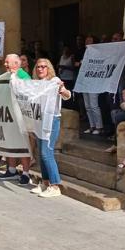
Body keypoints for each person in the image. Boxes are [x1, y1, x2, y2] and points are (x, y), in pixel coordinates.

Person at [30, 58, 72, 198]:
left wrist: (62, 90)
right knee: (41, 154)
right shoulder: (35, 83)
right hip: (39, 120)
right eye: (38, 67)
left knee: (46, 152)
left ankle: (55, 186)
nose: (40, 69)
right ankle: (45, 182)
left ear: (49, 68)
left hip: (52, 120)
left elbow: (67, 95)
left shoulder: (55, 81)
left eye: (43, 67)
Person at [0, 54, 33, 185]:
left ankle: (25, 173)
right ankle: (11, 170)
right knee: (10, 143)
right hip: (9, 115)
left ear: (16, 64)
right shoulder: (7, 75)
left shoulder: (24, 76)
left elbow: (27, 94)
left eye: (7, 62)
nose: (5, 64)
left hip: (20, 117)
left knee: (23, 145)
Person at [82, 35, 104, 135]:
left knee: (94, 105)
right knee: (87, 106)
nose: (87, 42)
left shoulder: (98, 53)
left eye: (90, 40)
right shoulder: (86, 52)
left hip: (94, 82)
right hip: (85, 81)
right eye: (86, 40)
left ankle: (99, 127)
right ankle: (92, 126)